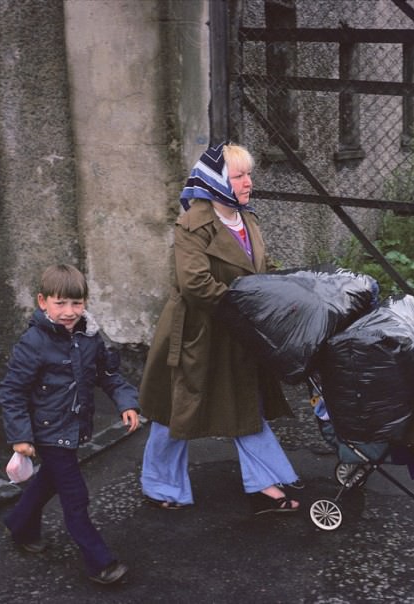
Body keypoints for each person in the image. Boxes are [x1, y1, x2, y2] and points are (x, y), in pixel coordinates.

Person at [139, 141, 301, 514]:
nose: (249, 182)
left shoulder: (248, 218)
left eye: (248, 174)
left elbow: (257, 267)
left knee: (246, 403)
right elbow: (194, 283)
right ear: (216, 181)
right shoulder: (192, 225)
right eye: (239, 175)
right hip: (197, 331)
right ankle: (160, 485)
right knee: (175, 410)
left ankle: (264, 484)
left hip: (236, 333)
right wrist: (245, 304)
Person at [0, 263, 141, 585]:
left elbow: (108, 374)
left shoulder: (89, 337)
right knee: (75, 496)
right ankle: (100, 562)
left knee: (49, 480)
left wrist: (127, 403)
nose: (69, 311)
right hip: (48, 433)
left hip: (73, 428)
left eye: (76, 303)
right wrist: (20, 435)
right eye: (60, 303)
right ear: (42, 301)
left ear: (86, 302)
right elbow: (12, 391)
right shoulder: (33, 343)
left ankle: (19, 524)